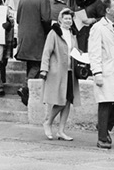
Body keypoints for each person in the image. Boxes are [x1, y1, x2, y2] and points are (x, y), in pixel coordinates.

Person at [88, 0, 114, 149]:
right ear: (107, 10)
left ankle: (104, 127)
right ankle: (102, 138)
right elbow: (94, 52)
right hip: (105, 70)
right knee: (105, 102)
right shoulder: (98, 28)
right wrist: (97, 72)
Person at [39, 8, 80, 142]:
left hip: (70, 72)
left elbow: (75, 51)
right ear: (60, 20)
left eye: (70, 18)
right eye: (66, 18)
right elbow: (47, 51)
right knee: (60, 100)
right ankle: (48, 122)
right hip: (57, 72)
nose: (68, 21)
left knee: (68, 101)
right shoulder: (54, 33)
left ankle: (61, 131)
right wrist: (44, 69)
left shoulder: (73, 34)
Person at [16, 0, 52, 79]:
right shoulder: (43, 0)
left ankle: (29, 88)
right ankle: (26, 86)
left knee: (30, 63)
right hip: (37, 36)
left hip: (24, 36)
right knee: (37, 63)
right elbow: (46, 19)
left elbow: (18, 18)